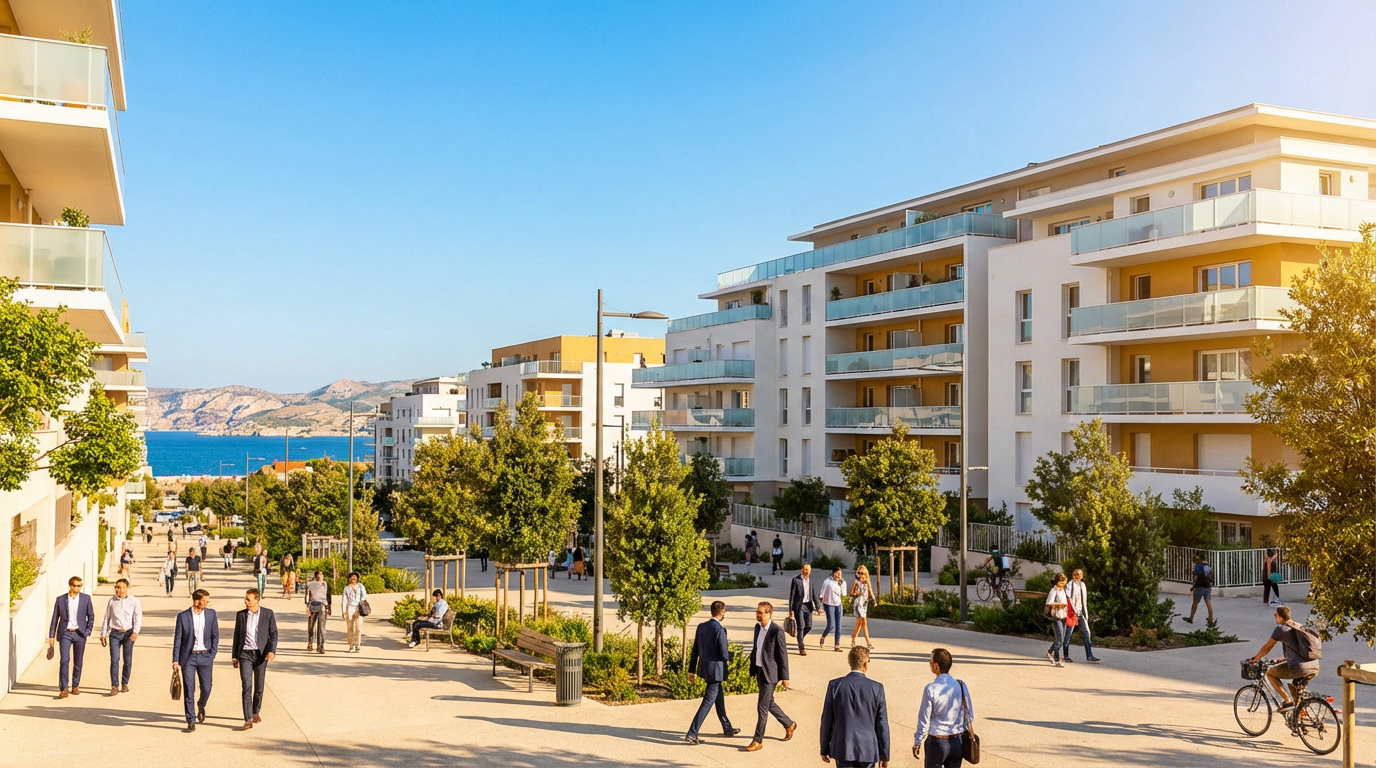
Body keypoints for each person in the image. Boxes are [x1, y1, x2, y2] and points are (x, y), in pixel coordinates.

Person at [820, 646, 890, 768]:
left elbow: (827, 719)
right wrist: (884, 754)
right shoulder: (877, 688)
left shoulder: (835, 686)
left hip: (843, 747)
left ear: (850, 662)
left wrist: (824, 747)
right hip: (868, 749)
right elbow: (882, 724)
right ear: (865, 664)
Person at [1248, 605, 1322, 712]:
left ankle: (1287, 701)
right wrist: (1285, 659)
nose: (1275, 618)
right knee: (1296, 687)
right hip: (1314, 666)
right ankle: (1301, 716)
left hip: (1300, 667)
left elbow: (1267, 647)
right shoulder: (1298, 626)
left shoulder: (1281, 629)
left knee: (1270, 673)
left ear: (1281, 617)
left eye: (1276, 615)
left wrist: (1255, 659)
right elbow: (1299, 649)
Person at [684, 600, 738, 744]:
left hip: (705, 669)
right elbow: (724, 654)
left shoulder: (701, 627)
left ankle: (727, 728)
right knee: (708, 702)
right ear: (722, 612)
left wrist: (691, 670)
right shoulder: (719, 629)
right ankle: (692, 732)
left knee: (719, 700)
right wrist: (732, 655)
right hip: (716, 672)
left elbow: (695, 650)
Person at [745, 601, 795, 752]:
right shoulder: (757, 628)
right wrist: (752, 668)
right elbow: (757, 649)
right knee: (768, 703)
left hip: (770, 674)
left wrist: (785, 677)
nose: (758, 614)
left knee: (762, 707)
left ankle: (757, 740)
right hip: (760, 670)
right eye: (757, 611)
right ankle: (789, 723)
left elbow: (782, 655)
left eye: (761, 612)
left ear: (769, 613)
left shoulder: (776, 631)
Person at [913, 648, 971, 768]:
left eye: (930, 662)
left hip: (937, 742)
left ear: (936, 666)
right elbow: (969, 715)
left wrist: (918, 741)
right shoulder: (961, 685)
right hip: (956, 741)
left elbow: (924, 719)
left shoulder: (930, 689)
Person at [173, 589, 219, 733]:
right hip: (189, 658)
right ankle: (191, 721)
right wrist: (176, 660)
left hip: (206, 656)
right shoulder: (183, 616)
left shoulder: (211, 614)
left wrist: (212, 654)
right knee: (189, 690)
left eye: (207, 601)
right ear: (196, 600)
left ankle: (201, 704)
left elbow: (215, 635)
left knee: (207, 687)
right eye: (204, 600)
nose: (207, 603)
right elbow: (178, 640)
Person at [231, 588, 278, 730]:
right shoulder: (241, 615)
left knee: (259, 686)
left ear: (257, 600)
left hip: (261, 654)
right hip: (245, 654)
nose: (246, 602)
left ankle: (255, 710)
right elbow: (237, 636)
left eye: (248, 599)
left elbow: (273, 634)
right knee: (247, 686)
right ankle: (248, 719)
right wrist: (234, 655)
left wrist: (271, 651)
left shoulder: (267, 614)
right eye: (245, 599)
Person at [47, 576, 94, 697]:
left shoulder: (86, 598)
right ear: (70, 585)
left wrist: (87, 631)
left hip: (80, 633)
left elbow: (91, 616)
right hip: (65, 633)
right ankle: (64, 688)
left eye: (79, 586)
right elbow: (54, 619)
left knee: (78, 661)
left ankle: (75, 685)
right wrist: (51, 636)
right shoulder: (61, 599)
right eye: (75, 585)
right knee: (64, 660)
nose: (77, 588)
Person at [100, 578, 143, 695]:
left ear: (127, 588)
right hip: (114, 634)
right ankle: (114, 685)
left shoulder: (134, 601)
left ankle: (125, 683)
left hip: (128, 634)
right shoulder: (112, 601)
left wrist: (135, 632)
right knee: (114, 660)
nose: (120, 590)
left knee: (127, 660)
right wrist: (103, 634)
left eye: (122, 587)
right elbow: (107, 618)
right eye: (117, 587)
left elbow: (138, 618)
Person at [1062, 568, 1101, 663]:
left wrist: (1085, 613)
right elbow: (1068, 598)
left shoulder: (1083, 585)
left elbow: (1084, 600)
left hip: (1081, 612)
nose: (1077, 575)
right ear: (1072, 575)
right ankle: (1065, 655)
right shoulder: (1070, 585)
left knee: (1087, 632)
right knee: (1068, 634)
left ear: (1082, 576)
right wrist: (1073, 610)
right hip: (1072, 613)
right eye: (1075, 574)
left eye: (1079, 574)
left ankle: (1089, 655)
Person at [788, 564, 819, 655]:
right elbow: (792, 596)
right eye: (805, 569)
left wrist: (818, 607)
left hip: (808, 606)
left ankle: (800, 637)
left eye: (808, 570)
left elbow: (813, 595)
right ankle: (801, 647)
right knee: (801, 626)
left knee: (808, 626)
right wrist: (791, 609)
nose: (806, 571)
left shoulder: (811, 581)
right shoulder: (796, 580)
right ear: (802, 570)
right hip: (799, 606)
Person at [1044, 573, 1069, 667]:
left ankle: (1050, 651)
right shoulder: (1054, 590)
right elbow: (1049, 602)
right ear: (1058, 581)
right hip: (1056, 615)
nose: (1063, 584)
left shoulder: (1063, 590)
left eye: (1064, 582)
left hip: (1063, 615)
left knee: (1061, 638)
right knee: (1060, 639)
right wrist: (1060, 604)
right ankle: (1057, 659)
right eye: (1062, 582)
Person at [819, 567, 846, 652]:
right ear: (833, 573)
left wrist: (841, 584)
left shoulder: (842, 582)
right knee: (831, 625)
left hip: (838, 604)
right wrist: (820, 606)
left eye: (840, 574)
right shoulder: (827, 582)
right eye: (837, 573)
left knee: (839, 626)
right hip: (829, 604)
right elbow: (821, 594)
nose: (838, 576)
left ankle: (837, 645)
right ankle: (823, 636)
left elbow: (844, 594)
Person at [303, 570, 331, 653]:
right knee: (311, 627)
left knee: (321, 627)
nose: (320, 577)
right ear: (315, 576)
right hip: (313, 605)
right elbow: (307, 595)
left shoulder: (325, 584)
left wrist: (328, 607)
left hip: (322, 606)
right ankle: (310, 643)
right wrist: (307, 606)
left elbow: (327, 596)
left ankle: (321, 646)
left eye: (321, 575)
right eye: (318, 575)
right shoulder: (310, 584)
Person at [341, 571, 368, 653]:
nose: (353, 578)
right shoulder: (346, 588)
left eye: (355, 577)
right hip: (349, 609)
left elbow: (364, 596)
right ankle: (351, 645)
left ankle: (358, 644)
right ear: (349, 579)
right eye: (352, 577)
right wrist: (343, 611)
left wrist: (361, 601)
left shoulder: (360, 586)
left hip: (358, 609)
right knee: (350, 628)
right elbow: (344, 600)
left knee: (358, 628)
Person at [1185, 553, 1214, 624]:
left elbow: (1195, 575)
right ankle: (1211, 620)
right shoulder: (1208, 566)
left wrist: (1193, 586)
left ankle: (1191, 618)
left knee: (1195, 602)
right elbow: (1211, 576)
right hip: (1207, 586)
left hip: (1200, 586)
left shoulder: (1199, 566)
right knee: (1208, 603)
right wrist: (1210, 586)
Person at [850, 565, 874, 649]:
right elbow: (851, 593)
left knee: (859, 623)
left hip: (864, 604)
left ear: (866, 574)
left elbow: (870, 591)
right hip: (858, 603)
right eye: (859, 573)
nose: (860, 575)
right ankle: (868, 642)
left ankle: (853, 638)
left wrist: (874, 600)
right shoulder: (856, 582)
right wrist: (855, 593)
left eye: (862, 573)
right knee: (864, 621)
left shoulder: (867, 582)